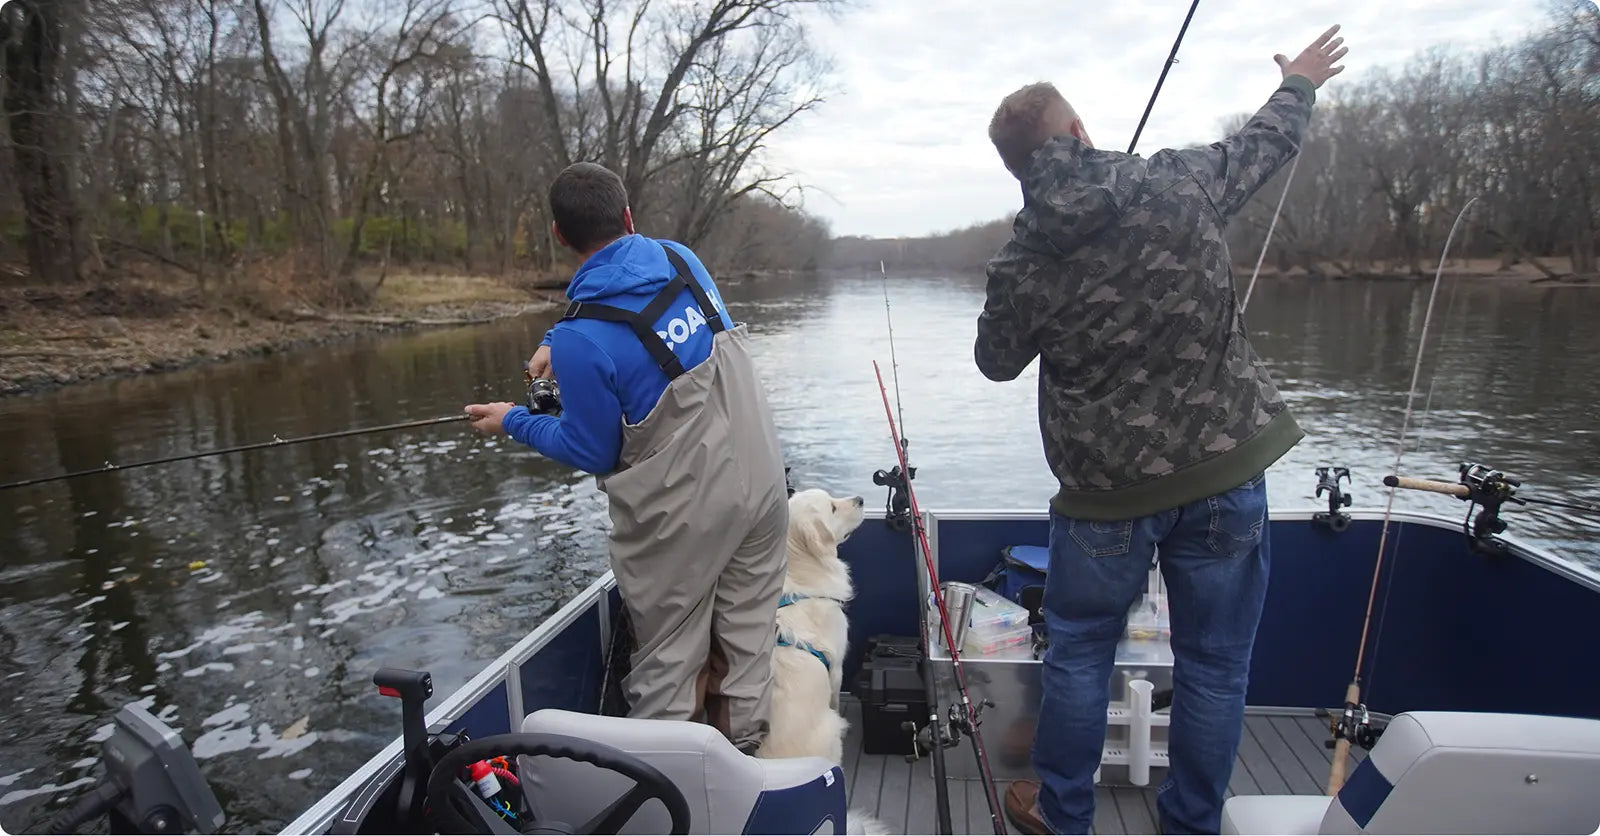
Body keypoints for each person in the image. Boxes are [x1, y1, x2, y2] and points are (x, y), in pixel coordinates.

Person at [972, 26, 1350, 836]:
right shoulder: (1176, 179)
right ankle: (1191, 827)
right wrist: (1301, 82)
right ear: (1077, 132)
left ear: (1016, 168)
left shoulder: (1023, 259)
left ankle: (1063, 816)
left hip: (1102, 501)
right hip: (1224, 475)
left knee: (1078, 656)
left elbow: (995, 361)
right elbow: (1266, 143)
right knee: (1215, 669)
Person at [464, 161, 789, 755]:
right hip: (764, 479)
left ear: (559, 236)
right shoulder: (680, 258)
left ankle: (673, 795)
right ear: (630, 215)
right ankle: (748, 765)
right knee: (748, 637)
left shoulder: (581, 338)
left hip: (685, 513)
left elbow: (592, 449)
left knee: (668, 664)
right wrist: (553, 342)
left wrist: (513, 419)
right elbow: (644, 317)